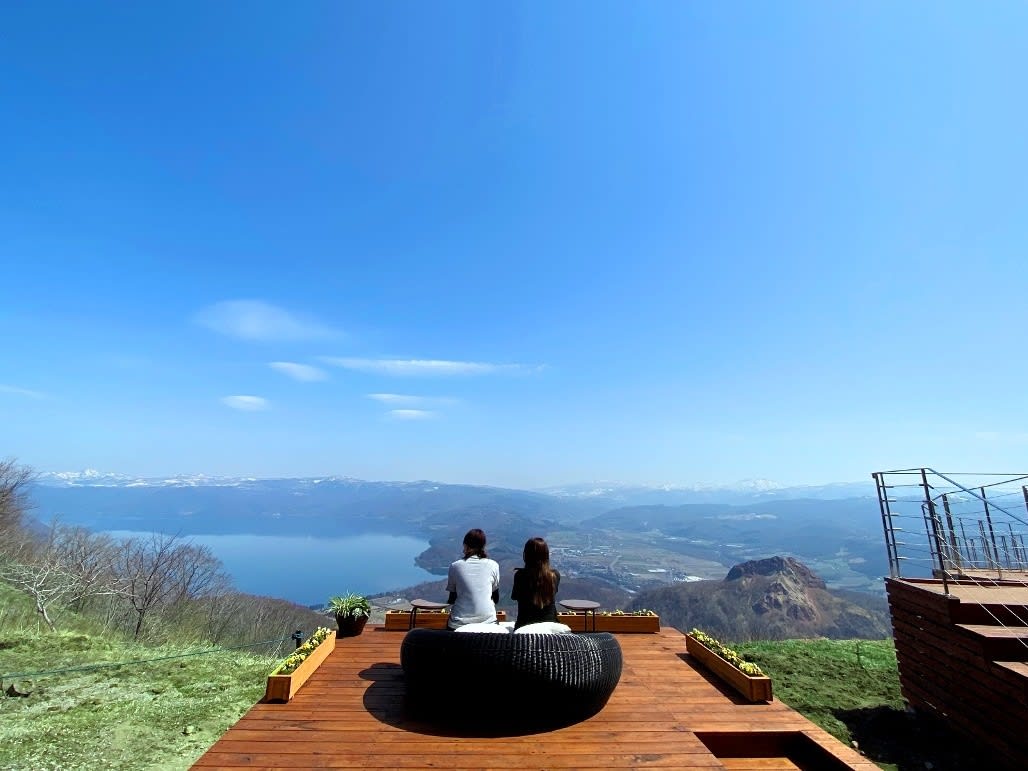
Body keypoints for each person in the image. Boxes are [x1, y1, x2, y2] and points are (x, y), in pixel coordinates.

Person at [445, 528, 501, 629]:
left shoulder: (455, 566)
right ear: (483, 546)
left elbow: (452, 599)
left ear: (465, 545)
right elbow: (495, 598)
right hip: (489, 623)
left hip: (458, 624)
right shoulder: (493, 565)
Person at [510, 536, 561, 629]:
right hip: (550, 626)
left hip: (524, 626)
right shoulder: (554, 575)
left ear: (526, 555)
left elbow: (514, 597)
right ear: (546, 555)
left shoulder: (520, 575)